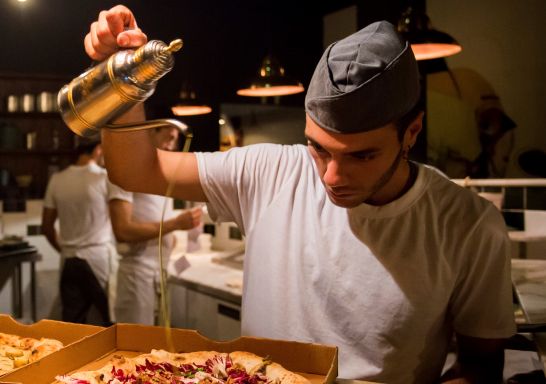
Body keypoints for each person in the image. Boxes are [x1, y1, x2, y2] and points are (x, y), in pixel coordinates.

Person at [84, 5, 516, 383]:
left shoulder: (468, 224)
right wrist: (117, 73)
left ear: (412, 133)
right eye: (318, 148)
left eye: (361, 156)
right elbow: (135, 169)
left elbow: (481, 367)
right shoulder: (271, 171)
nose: (331, 176)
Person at [108, 125, 202, 325]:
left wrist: (170, 237)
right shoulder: (125, 171)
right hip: (137, 275)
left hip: (159, 273)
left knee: (155, 349)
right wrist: (175, 224)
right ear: (150, 132)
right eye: (167, 136)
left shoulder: (161, 175)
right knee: (135, 347)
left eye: (175, 140)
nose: (171, 144)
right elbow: (122, 230)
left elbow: (152, 216)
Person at [41, 137, 114, 326]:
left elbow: (46, 227)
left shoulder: (57, 179)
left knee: (72, 324)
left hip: (68, 258)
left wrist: (64, 249)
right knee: (106, 321)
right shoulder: (104, 178)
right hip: (98, 259)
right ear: (98, 149)